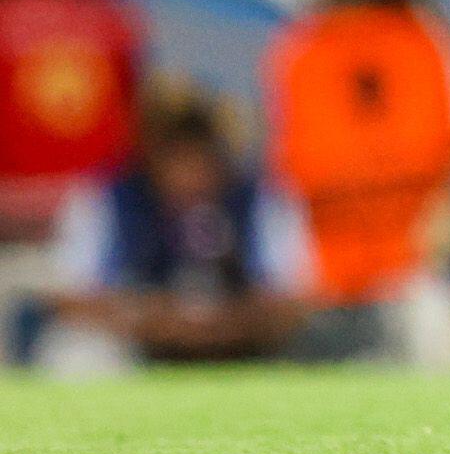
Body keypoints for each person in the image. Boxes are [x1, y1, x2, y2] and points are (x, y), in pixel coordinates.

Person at [260, 0, 450, 364]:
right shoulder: (425, 41)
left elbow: (292, 161)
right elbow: (449, 150)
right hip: (408, 256)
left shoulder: (304, 48)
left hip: (333, 262)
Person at [35, 86, 308, 371]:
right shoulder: (108, 200)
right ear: (150, 156)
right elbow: (68, 298)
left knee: (315, 352)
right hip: (137, 346)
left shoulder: (258, 199)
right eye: (177, 156)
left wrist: (230, 323)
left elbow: (296, 298)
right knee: (77, 357)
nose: (190, 172)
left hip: (245, 347)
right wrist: (149, 319)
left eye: (200, 154)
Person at [0, 0, 141, 362]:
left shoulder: (104, 14)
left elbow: (126, 118)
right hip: (59, 217)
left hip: (83, 222)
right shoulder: (110, 13)